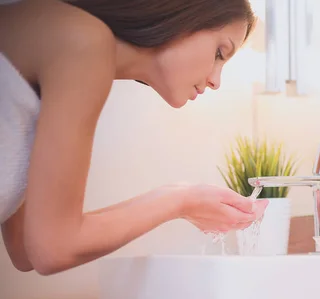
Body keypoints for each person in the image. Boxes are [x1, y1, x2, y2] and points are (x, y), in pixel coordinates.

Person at [0, 0, 269, 276]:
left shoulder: (62, 62)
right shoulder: (81, 41)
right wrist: (180, 200)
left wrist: (180, 199)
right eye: (219, 53)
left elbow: (26, 248)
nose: (216, 81)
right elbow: (53, 249)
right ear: (183, 13)